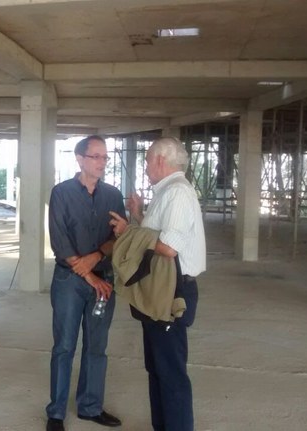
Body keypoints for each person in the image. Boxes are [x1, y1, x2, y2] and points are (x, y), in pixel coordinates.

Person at [109, 137, 206, 431]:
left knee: (170, 372)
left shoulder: (177, 193)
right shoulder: (168, 193)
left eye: (148, 160)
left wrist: (127, 231)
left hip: (172, 293)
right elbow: (156, 234)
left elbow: (167, 247)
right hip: (160, 290)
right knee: (157, 369)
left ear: (161, 161)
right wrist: (139, 215)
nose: (147, 166)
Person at [45, 135, 126, 431]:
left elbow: (119, 238)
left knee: (96, 347)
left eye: (105, 157)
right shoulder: (61, 193)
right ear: (79, 159)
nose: (102, 162)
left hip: (103, 280)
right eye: (96, 156)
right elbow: (60, 243)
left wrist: (96, 257)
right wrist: (89, 274)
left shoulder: (113, 196)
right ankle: (56, 413)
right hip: (70, 281)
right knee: (64, 346)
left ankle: (90, 407)